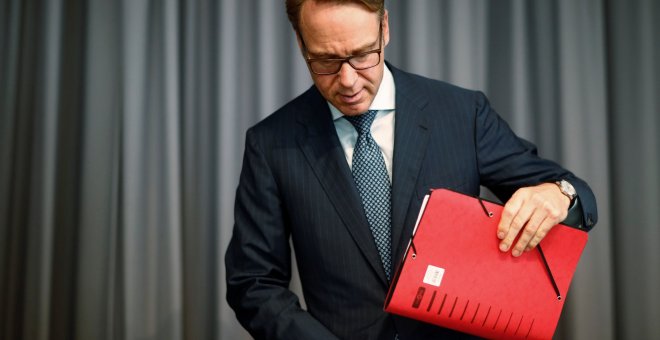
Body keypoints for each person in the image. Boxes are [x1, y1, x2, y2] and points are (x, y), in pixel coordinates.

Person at [225, 0, 598, 339]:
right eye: (325, 61)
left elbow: (571, 190)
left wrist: (560, 194)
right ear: (300, 41)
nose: (349, 80)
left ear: (384, 27)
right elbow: (252, 283)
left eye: (362, 56)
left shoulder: (462, 113)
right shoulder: (271, 143)